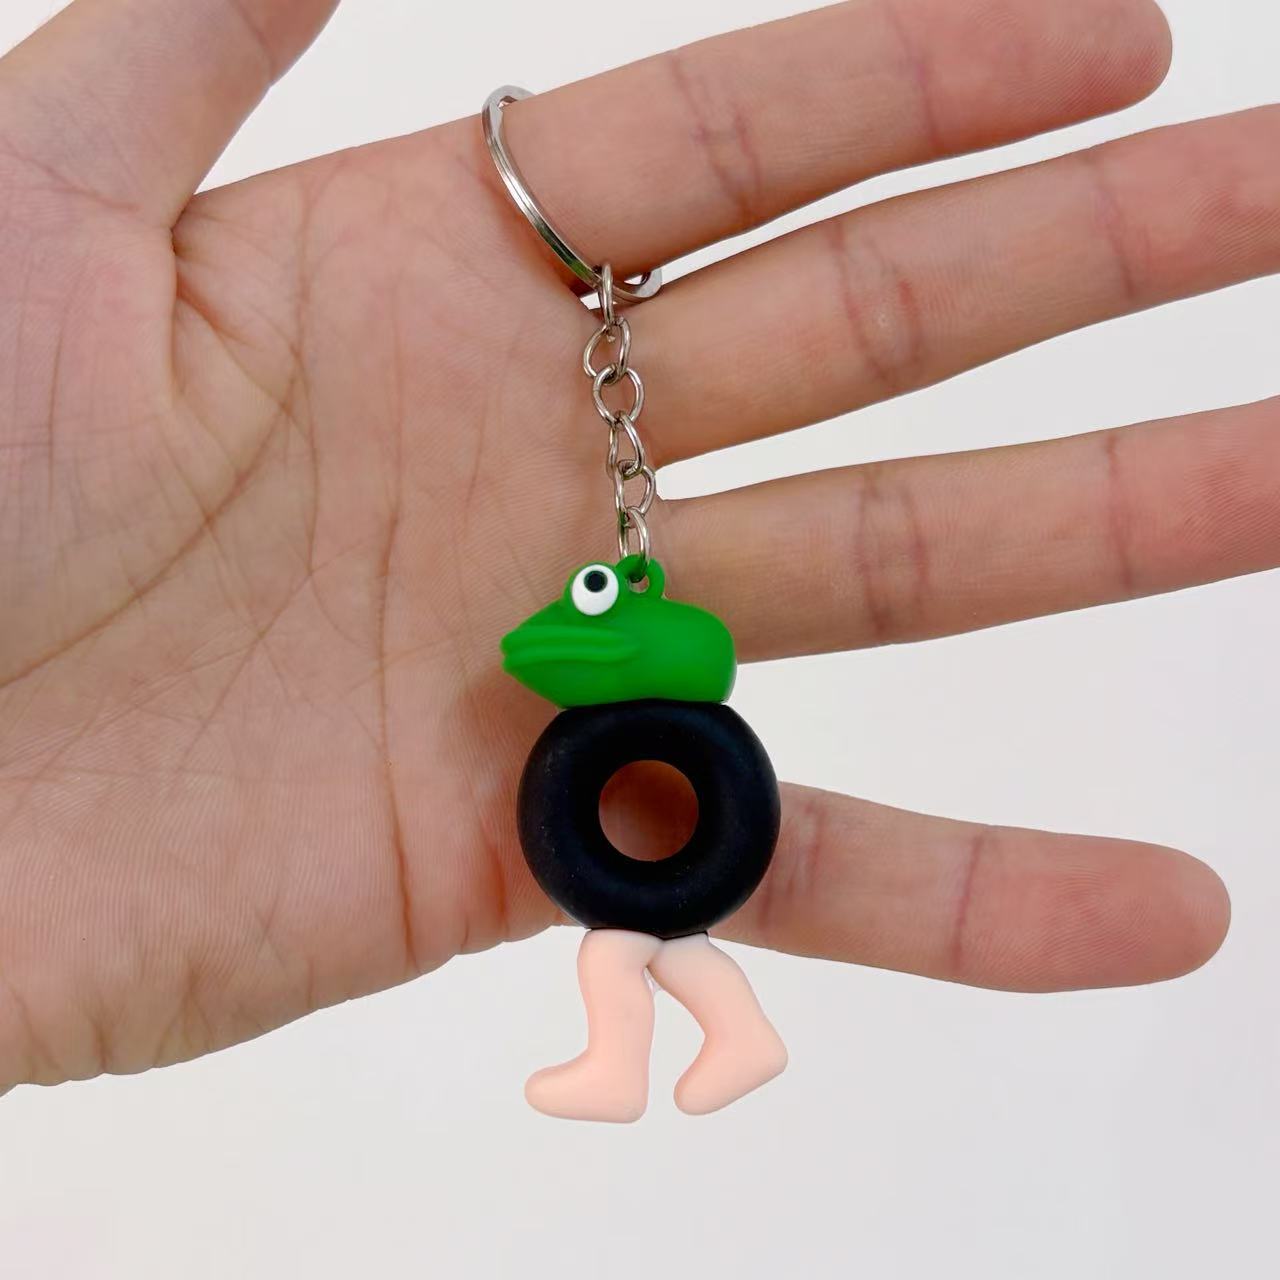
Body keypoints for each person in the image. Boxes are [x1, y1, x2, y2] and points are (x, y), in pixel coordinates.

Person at [0, 0, 1266, 1094]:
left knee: (628, 943)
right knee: (633, 943)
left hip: (661, 817)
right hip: (640, 827)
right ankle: (703, 1046)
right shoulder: (602, 731)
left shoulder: (662, 698)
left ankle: (689, 1048)